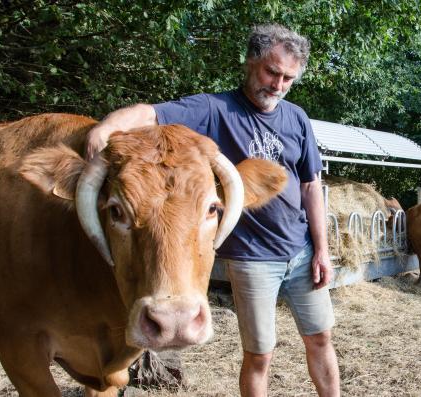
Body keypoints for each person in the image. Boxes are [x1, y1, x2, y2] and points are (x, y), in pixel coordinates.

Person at [86, 23, 340, 397]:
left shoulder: (297, 118)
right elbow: (149, 113)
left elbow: (309, 186)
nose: (278, 85)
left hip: (301, 251)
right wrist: (106, 128)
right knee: (260, 355)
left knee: (321, 339)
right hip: (252, 258)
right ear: (250, 62)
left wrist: (321, 250)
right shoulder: (213, 109)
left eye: (288, 78)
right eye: (272, 72)